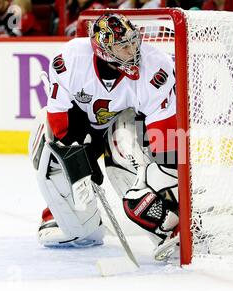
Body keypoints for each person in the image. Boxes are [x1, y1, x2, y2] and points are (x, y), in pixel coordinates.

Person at [28, 13, 179, 262]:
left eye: (133, 41)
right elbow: (59, 119)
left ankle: (167, 224)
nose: (133, 50)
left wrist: (168, 181)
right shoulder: (71, 59)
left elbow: (164, 135)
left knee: (139, 161)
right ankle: (64, 214)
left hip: (124, 123)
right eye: (123, 46)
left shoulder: (156, 65)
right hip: (80, 127)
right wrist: (77, 162)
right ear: (104, 51)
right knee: (47, 140)